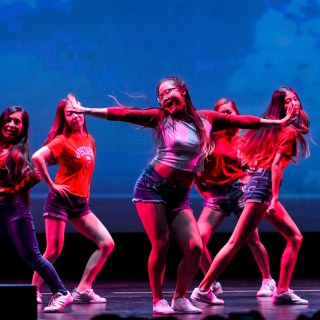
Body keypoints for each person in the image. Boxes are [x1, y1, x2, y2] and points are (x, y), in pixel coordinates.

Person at [67, 76, 294, 314]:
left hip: (179, 195)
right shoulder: (160, 117)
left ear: (183, 91)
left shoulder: (207, 119)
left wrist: (279, 122)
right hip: (151, 188)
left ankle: (180, 297)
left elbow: (243, 121)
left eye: (168, 92)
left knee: (195, 247)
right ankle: (158, 301)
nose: (164, 98)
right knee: (162, 244)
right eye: (160, 96)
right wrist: (85, 110)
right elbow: (123, 114)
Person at [191, 86, 311, 305]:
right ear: (279, 106)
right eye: (287, 101)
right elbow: (275, 166)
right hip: (255, 188)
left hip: (248, 186)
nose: (293, 104)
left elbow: (255, 159)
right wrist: (273, 198)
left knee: (288, 237)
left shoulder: (267, 129)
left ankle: (277, 287)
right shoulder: (285, 131)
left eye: (295, 99)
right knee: (235, 241)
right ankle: (204, 288)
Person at [31, 98, 115, 305]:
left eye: (77, 111)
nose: (75, 115)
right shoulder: (61, 140)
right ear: (64, 119)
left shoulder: (89, 139)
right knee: (54, 250)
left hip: (80, 203)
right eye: (69, 113)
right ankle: (34, 290)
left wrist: (86, 193)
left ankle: (84, 288)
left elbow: (86, 171)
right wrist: (51, 185)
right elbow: (37, 157)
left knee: (106, 244)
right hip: (60, 201)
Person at [194, 98, 276, 298]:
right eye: (223, 112)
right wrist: (201, 189)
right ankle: (211, 282)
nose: (227, 115)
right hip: (217, 195)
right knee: (197, 241)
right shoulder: (211, 138)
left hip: (240, 191)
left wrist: (249, 179)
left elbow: (255, 165)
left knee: (252, 238)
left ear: (237, 113)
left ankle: (267, 280)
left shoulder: (244, 140)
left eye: (230, 111)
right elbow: (195, 166)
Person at [0, 106, 73, 313]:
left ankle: (61, 292)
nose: (11, 125)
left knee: (32, 256)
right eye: (8, 120)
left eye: (17, 122)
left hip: (14, 210)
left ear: (23, 128)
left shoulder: (17, 153)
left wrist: (11, 189)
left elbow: (34, 176)